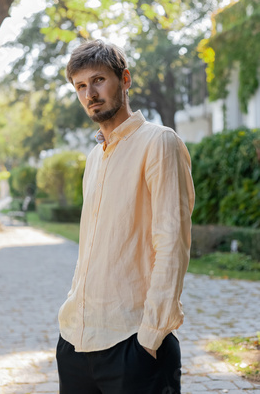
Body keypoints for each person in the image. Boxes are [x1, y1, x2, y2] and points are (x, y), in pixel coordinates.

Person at [56, 39, 195, 394]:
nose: (91, 93)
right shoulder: (93, 158)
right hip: (76, 343)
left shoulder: (159, 143)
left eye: (99, 80)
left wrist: (149, 339)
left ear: (125, 79)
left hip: (133, 345)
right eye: (81, 86)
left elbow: (171, 244)